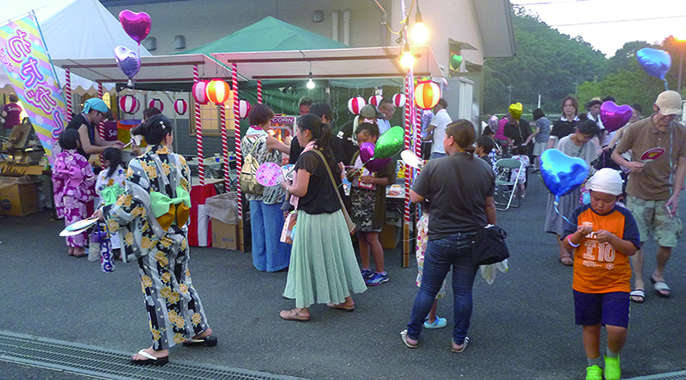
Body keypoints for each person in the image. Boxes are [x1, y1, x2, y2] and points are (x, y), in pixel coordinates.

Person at [95, 114, 216, 365]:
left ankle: (159, 348)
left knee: (156, 290)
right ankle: (200, 329)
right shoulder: (180, 160)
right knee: (182, 281)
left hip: (153, 237)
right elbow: (184, 190)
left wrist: (107, 212)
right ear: (168, 136)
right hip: (178, 230)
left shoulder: (139, 164)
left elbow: (133, 203)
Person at [401, 119, 496, 352]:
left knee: (428, 288)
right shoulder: (484, 167)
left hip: (441, 236)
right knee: (463, 291)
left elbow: (414, 197)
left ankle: (412, 335)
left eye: (445, 136)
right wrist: (492, 231)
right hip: (473, 237)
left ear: (451, 139)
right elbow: (489, 205)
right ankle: (458, 340)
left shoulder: (434, 166)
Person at [279, 114, 367, 321]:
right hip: (333, 215)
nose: (295, 135)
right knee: (332, 257)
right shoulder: (325, 152)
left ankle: (301, 309)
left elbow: (300, 190)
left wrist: (285, 185)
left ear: (306, 132)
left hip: (313, 216)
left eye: (297, 131)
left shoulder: (306, 157)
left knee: (304, 260)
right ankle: (344, 299)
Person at [562, 168, 640, 380]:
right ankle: (593, 366)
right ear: (589, 193)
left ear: (618, 198)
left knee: (617, 328)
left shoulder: (624, 216)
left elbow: (632, 248)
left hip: (616, 281)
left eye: (607, 200)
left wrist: (613, 239)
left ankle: (612, 357)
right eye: (596, 198)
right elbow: (566, 244)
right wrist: (578, 233)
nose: (600, 204)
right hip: (585, 282)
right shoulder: (580, 213)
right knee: (590, 325)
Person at [611, 90, 685, 302]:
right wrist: (629, 165)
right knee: (637, 241)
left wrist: (677, 193)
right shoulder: (636, 128)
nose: (669, 118)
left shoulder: (680, 131)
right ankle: (639, 282)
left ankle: (658, 274)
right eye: (666, 113)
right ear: (655, 107)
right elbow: (616, 154)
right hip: (638, 193)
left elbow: (682, 163)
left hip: (665, 194)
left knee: (668, 241)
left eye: (673, 115)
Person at [242, 104, 291, 272]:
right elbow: (289, 151)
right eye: (270, 120)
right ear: (264, 120)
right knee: (273, 226)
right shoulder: (267, 139)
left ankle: (260, 261)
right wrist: (289, 142)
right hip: (271, 187)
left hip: (253, 187)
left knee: (258, 227)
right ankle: (274, 263)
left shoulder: (246, 137)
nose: (271, 124)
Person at [544, 116, 599, 266]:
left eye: (590, 138)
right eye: (585, 136)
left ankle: (574, 250)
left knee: (579, 219)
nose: (586, 140)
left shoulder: (589, 145)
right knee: (562, 217)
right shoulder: (564, 142)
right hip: (564, 187)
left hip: (581, 189)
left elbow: (590, 166)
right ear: (578, 131)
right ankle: (564, 252)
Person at [348, 122, 395, 286]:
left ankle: (381, 272)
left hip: (373, 201)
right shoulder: (357, 155)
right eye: (359, 141)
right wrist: (350, 173)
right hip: (357, 199)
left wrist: (373, 179)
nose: (362, 144)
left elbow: (390, 179)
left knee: (372, 236)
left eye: (365, 139)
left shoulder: (383, 155)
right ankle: (366, 268)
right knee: (360, 235)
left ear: (375, 138)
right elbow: (349, 176)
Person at [52, 129, 96, 258]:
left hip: (65, 192)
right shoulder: (80, 158)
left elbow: (56, 177)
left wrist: (59, 191)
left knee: (69, 219)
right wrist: (86, 186)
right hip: (77, 192)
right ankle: (78, 248)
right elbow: (89, 177)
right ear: (77, 142)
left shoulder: (59, 158)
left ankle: (71, 247)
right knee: (78, 220)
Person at [414, 201, 448, 330]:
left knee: (424, 288)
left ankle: (423, 314)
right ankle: (432, 319)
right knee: (433, 290)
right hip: (435, 259)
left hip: (421, 258)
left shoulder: (423, 219)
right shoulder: (437, 223)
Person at [96, 147, 127, 254]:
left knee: (108, 226)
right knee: (123, 227)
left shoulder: (102, 174)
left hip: (106, 205)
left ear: (107, 161)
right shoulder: (125, 173)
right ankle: (123, 250)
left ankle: (111, 248)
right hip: (121, 204)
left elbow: (98, 190)